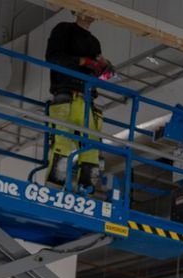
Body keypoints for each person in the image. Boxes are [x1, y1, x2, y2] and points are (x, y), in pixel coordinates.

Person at [44, 12, 113, 192]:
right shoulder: (63, 30)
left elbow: (103, 74)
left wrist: (104, 67)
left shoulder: (94, 42)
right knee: (63, 144)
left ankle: (87, 191)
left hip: (88, 99)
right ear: (77, 10)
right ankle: (53, 189)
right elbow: (53, 58)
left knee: (91, 149)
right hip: (65, 94)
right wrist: (81, 61)